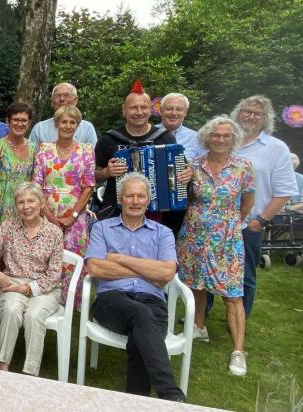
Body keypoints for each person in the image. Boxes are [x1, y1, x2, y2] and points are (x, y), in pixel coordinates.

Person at [85, 173, 186, 402]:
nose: (135, 201)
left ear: (148, 201)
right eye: (129, 195)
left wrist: (119, 258)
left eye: (141, 196)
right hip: (112, 300)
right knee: (142, 316)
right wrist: (147, 270)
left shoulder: (163, 233)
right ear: (121, 198)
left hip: (152, 302)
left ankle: (135, 403)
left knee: (142, 333)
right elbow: (95, 268)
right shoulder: (102, 228)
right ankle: (170, 394)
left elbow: (166, 273)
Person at [206, 95, 298, 319]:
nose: (251, 116)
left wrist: (260, 222)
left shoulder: (276, 148)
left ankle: (240, 320)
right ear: (238, 112)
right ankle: (200, 318)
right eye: (247, 110)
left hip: (248, 225)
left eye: (257, 113)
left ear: (266, 118)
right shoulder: (223, 140)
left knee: (244, 276)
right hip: (213, 222)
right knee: (207, 272)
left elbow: (285, 191)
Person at [176, 116, 255, 376]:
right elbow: (181, 195)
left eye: (226, 135)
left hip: (227, 239)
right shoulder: (194, 166)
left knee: (233, 294)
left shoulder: (243, 167)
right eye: (216, 135)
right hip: (194, 236)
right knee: (195, 283)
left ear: (233, 139)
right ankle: (199, 326)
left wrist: (229, 224)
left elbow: (247, 203)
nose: (220, 139)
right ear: (207, 138)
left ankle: (238, 351)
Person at [0, 182, 63, 376]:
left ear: (41, 203)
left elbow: (54, 275)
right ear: (16, 206)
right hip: (11, 282)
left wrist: (26, 289)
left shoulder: (54, 233)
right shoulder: (9, 227)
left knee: (34, 316)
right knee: (12, 309)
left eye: (31, 201)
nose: (26, 207)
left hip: (44, 288)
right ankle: (3, 368)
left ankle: (30, 374)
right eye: (21, 202)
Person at [94, 80, 190, 234]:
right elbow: (92, 176)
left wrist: (186, 173)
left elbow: (182, 171)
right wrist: (106, 172)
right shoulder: (109, 139)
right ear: (124, 110)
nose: (139, 112)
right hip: (116, 210)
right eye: (133, 107)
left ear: (151, 110)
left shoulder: (165, 138)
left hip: (156, 212)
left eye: (144, 107)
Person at [33, 106, 95, 308]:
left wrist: (73, 215)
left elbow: (88, 186)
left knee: (72, 260)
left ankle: (69, 305)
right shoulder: (43, 150)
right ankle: (43, 300)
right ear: (56, 124)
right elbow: (37, 184)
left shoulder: (86, 151)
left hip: (75, 216)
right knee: (44, 257)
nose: (67, 126)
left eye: (72, 122)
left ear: (77, 126)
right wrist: (49, 216)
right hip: (46, 212)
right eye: (64, 122)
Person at [0, 101, 37, 233]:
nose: (19, 124)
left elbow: (34, 182)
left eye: (23, 120)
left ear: (29, 123)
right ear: (8, 121)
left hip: (24, 210)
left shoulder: (33, 148)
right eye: (16, 120)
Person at [29, 82, 97, 146]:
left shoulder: (87, 128)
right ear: (52, 101)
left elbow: (93, 156)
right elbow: (32, 157)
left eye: (66, 95)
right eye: (57, 95)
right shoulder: (40, 129)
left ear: (75, 100)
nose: (62, 99)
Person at [158, 93, 204, 161]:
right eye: (169, 109)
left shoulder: (197, 139)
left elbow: (205, 167)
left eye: (179, 109)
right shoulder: (149, 133)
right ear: (161, 110)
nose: (174, 113)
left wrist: (193, 170)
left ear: (185, 112)